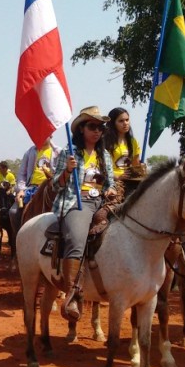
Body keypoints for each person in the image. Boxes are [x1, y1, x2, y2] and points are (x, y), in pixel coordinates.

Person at [52, 106, 117, 322]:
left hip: (102, 203)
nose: (97, 131)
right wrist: (67, 171)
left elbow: (111, 183)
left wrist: (111, 189)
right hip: (77, 203)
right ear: (81, 129)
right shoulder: (68, 153)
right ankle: (71, 294)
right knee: (77, 240)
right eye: (92, 126)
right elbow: (56, 186)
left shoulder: (105, 155)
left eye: (100, 127)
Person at [9, 137, 62, 236]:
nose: (40, 136)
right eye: (37, 134)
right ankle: (19, 240)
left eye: (43, 134)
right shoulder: (29, 152)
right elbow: (21, 174)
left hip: (51, 188)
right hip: (31, 189)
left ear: (51, 135)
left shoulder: (59, 152)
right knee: (13, 212)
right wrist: (21, 190)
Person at [104, 107, 142, 179]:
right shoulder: (105, 142)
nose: (125, 123)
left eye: (127, 120)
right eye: (121, 121)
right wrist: (117, 177)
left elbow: (136, 166)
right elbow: (101, 168)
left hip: (130, 180)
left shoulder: (133, 142)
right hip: (112, 180)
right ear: (113, 123)